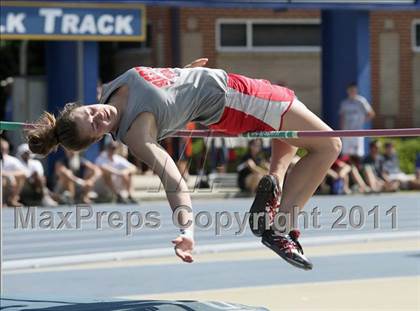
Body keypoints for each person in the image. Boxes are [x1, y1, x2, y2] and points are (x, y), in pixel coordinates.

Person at [25, 58, 342, 270]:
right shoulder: (136, 132)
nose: (99, 116)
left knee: (288, 124)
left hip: (230, 88)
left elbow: (164, 86)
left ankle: (276, 186)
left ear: (85, 104)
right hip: (235, 101)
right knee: (329, 145)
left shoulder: (108, 90)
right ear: (98, 139)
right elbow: (172, 178)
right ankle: (279, 227)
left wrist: (185, 72)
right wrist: (187, 228)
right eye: (95, 126)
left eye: (90, 112)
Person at [339, 83, 375, 160]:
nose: (352, 92)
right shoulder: (344, 103)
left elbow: (371, 113)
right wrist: (342, 131)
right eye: (350, 90)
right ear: (347, 91)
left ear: (356, 91)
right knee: (345, 154)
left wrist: (361, 121)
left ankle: (357, 171)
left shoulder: (361, 101)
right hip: (346, 132)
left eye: (353, 90)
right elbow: (342, 117)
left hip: (357, 131)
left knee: (357, 154)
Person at [1, 138, 26, 207]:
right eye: (2, 149)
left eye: (5, 149)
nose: (3, 151)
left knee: (20, 178)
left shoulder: (12, 160)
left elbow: (23, 173)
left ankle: (12, 200)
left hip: (11, 184)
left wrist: (8, 175)